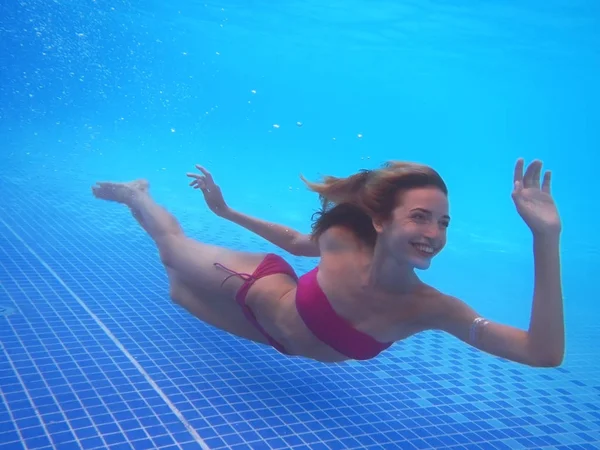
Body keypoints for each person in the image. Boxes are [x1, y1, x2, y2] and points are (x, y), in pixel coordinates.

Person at [92, 158, 564, 367]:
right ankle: (138, 194)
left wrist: (546, 238)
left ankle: (140, 200)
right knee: (172, 249)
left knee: (177, 292)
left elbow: (541, 353)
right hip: (252, 284)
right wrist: (225, 211)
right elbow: (297, 242)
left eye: (443, 223)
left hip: (274, 338)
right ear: (380, 220)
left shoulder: (433, 309)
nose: (433, 234)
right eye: (420, 218)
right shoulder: (343, 238)